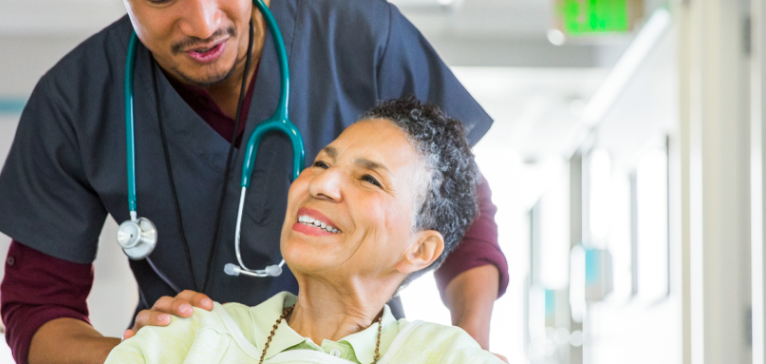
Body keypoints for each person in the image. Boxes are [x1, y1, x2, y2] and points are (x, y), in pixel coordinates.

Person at [0, 0, 508, 363]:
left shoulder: (360, 37)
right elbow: (36, 308)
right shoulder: (75, 98)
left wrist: (467, 342)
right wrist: (154, 354)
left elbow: (457, 199)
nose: (203, 22)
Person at [104, 98, 502, 364]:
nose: (320, 184)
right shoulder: (185, 339)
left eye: (369, 179)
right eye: (322, 164)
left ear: (420, 249)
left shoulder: (446, 357)